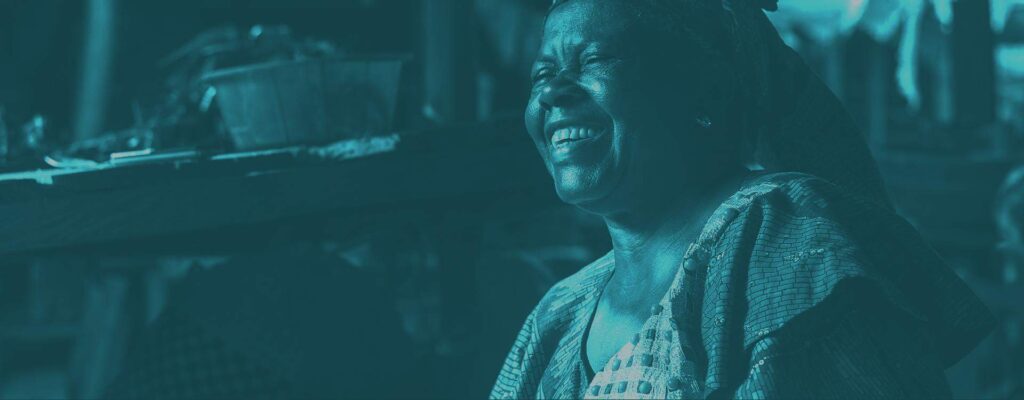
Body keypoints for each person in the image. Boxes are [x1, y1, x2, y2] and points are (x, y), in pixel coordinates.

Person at [490, 0, 995, 398]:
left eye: (594, 59)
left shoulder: (781, 244)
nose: (552, 92)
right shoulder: (560, 313)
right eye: (542, 73)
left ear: (704, 92)